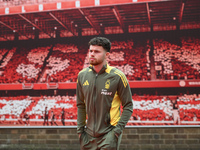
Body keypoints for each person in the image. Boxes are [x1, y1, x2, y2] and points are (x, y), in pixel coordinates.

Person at [76, 37, 133, 150]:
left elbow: (128, 105)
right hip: (88, 135)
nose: (92, 54)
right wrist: (80, 131)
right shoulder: (82, 75)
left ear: (107, 55)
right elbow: (80, 105)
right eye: (91, 51)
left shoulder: (117, 76)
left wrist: (117, 131)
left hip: (109, 134)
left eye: (97, 51)